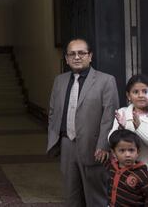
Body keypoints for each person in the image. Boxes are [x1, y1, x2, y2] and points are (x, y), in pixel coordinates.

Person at [47, 38, 119, 206]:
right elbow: (53, 112)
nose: (77, 57)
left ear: (90, 56)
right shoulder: (60, 81)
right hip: (67, 145)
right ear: (66, 58)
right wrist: (55, 137)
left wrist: (103, 145)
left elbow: (109, 116)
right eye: (72, 54)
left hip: (94, 147)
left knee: (95, 198)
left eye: (81, 53)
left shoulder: (106, 81)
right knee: (71, 197)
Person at [108, 74, 148, 165]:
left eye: (145, 91)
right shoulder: (123, 113)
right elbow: (111, 141)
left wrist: (139, 128)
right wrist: (121, 129)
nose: (141, 95)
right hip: (128, 172)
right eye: (135, 92)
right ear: (128, 96)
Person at [106, 129, 148, 206]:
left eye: (131, 150)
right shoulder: (112, 167)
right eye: (122, 150)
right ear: (114, 153)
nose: (127, 155)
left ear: (138, 152)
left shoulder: (142, 174)